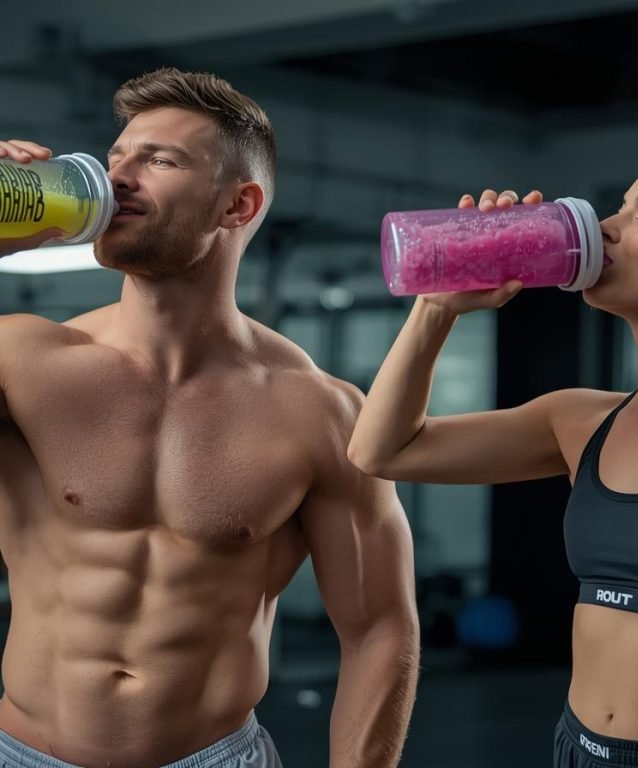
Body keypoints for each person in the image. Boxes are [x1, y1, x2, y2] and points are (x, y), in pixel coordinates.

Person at [0, 67, 419, 768]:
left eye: (160, 160)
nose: (120, 177)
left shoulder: (321, 411)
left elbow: (379, 628)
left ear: (238, 205)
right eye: (116, 159)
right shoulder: (24, 358)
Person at [347, 146, 638, 768]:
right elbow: (382, 449)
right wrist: (438, 302)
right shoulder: (578, 420)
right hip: (572, 749)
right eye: (620, 206)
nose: (605, 227)